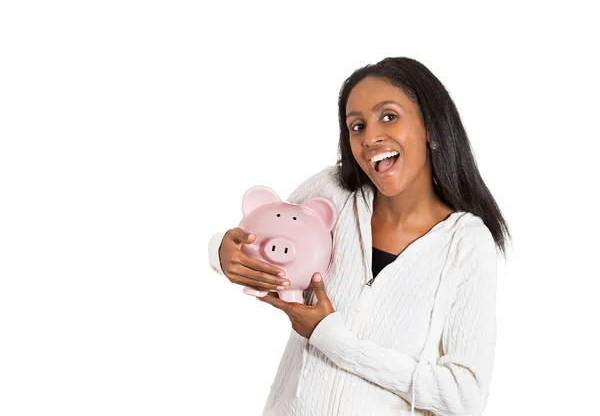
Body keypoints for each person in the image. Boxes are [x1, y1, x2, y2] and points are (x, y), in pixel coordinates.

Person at [207, 56, 511, 416]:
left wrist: (331, 338)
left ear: (431, 126)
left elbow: (463, 397)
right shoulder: (333, 192)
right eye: (356, 126)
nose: (370, 138)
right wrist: (221, 253)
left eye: (388, 116)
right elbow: (262, 238)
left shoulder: (467, 244)